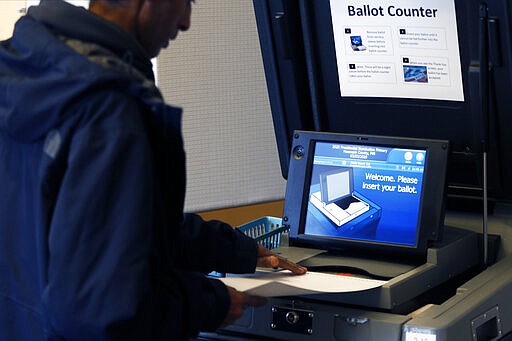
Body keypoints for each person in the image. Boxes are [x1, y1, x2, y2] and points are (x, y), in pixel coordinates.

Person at [0, 0, 306, 339]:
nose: (186, 22)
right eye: (185, 3)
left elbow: (104, 223)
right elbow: (102, 308)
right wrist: (206, 304)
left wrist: (232, 250)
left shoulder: (19, 69)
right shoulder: (110, 111)